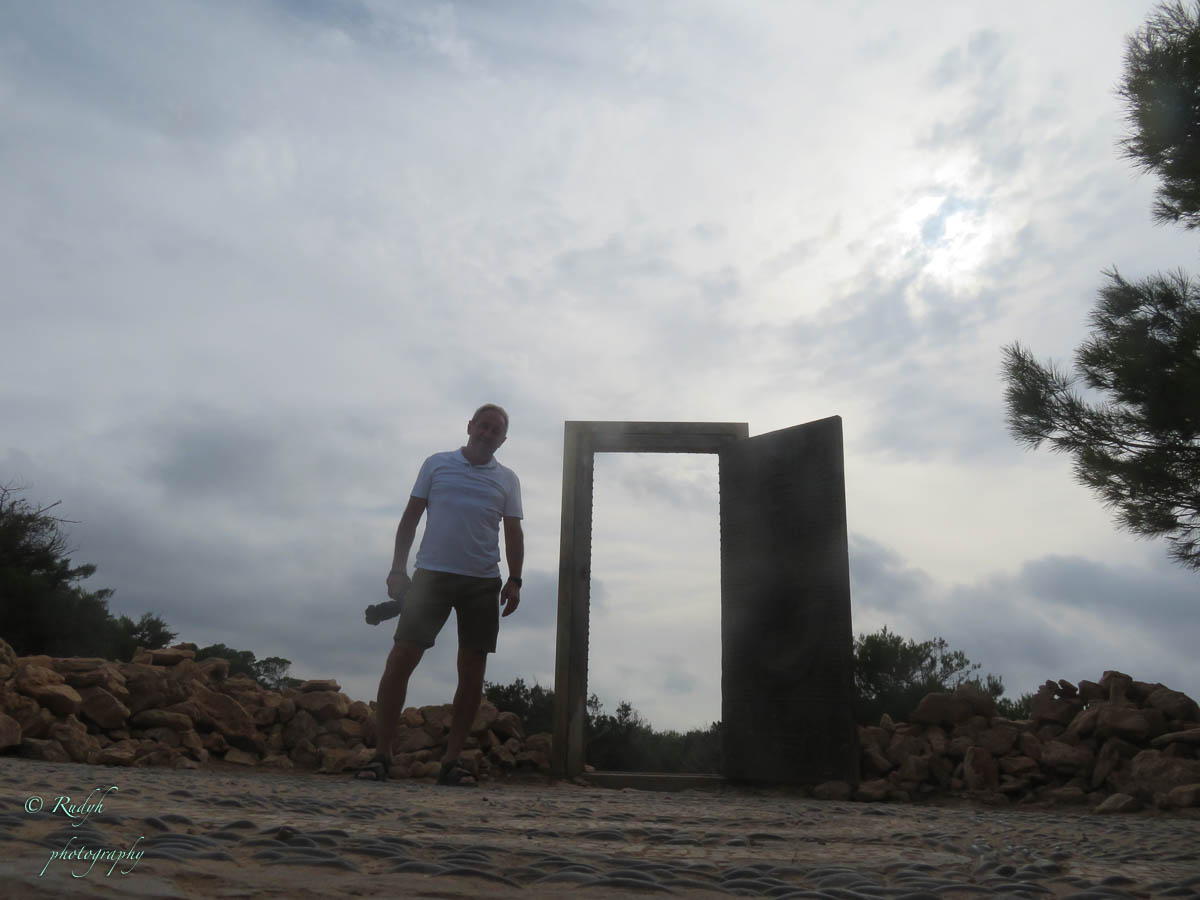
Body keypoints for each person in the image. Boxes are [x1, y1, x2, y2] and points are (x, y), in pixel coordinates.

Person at [356, 404, 524, 786]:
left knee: (472, 671)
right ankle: (381, 755)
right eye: (483, 426)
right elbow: (411, 517)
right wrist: (397, 569)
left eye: (495, 430)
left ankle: (452, 761)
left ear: (503, 440)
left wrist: (515, 579)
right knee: (401, 659)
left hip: (482, 581)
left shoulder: (508, 479)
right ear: (470, 426)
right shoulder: (436, 464)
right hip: (430, 577)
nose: (487, 433)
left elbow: (513, 532)